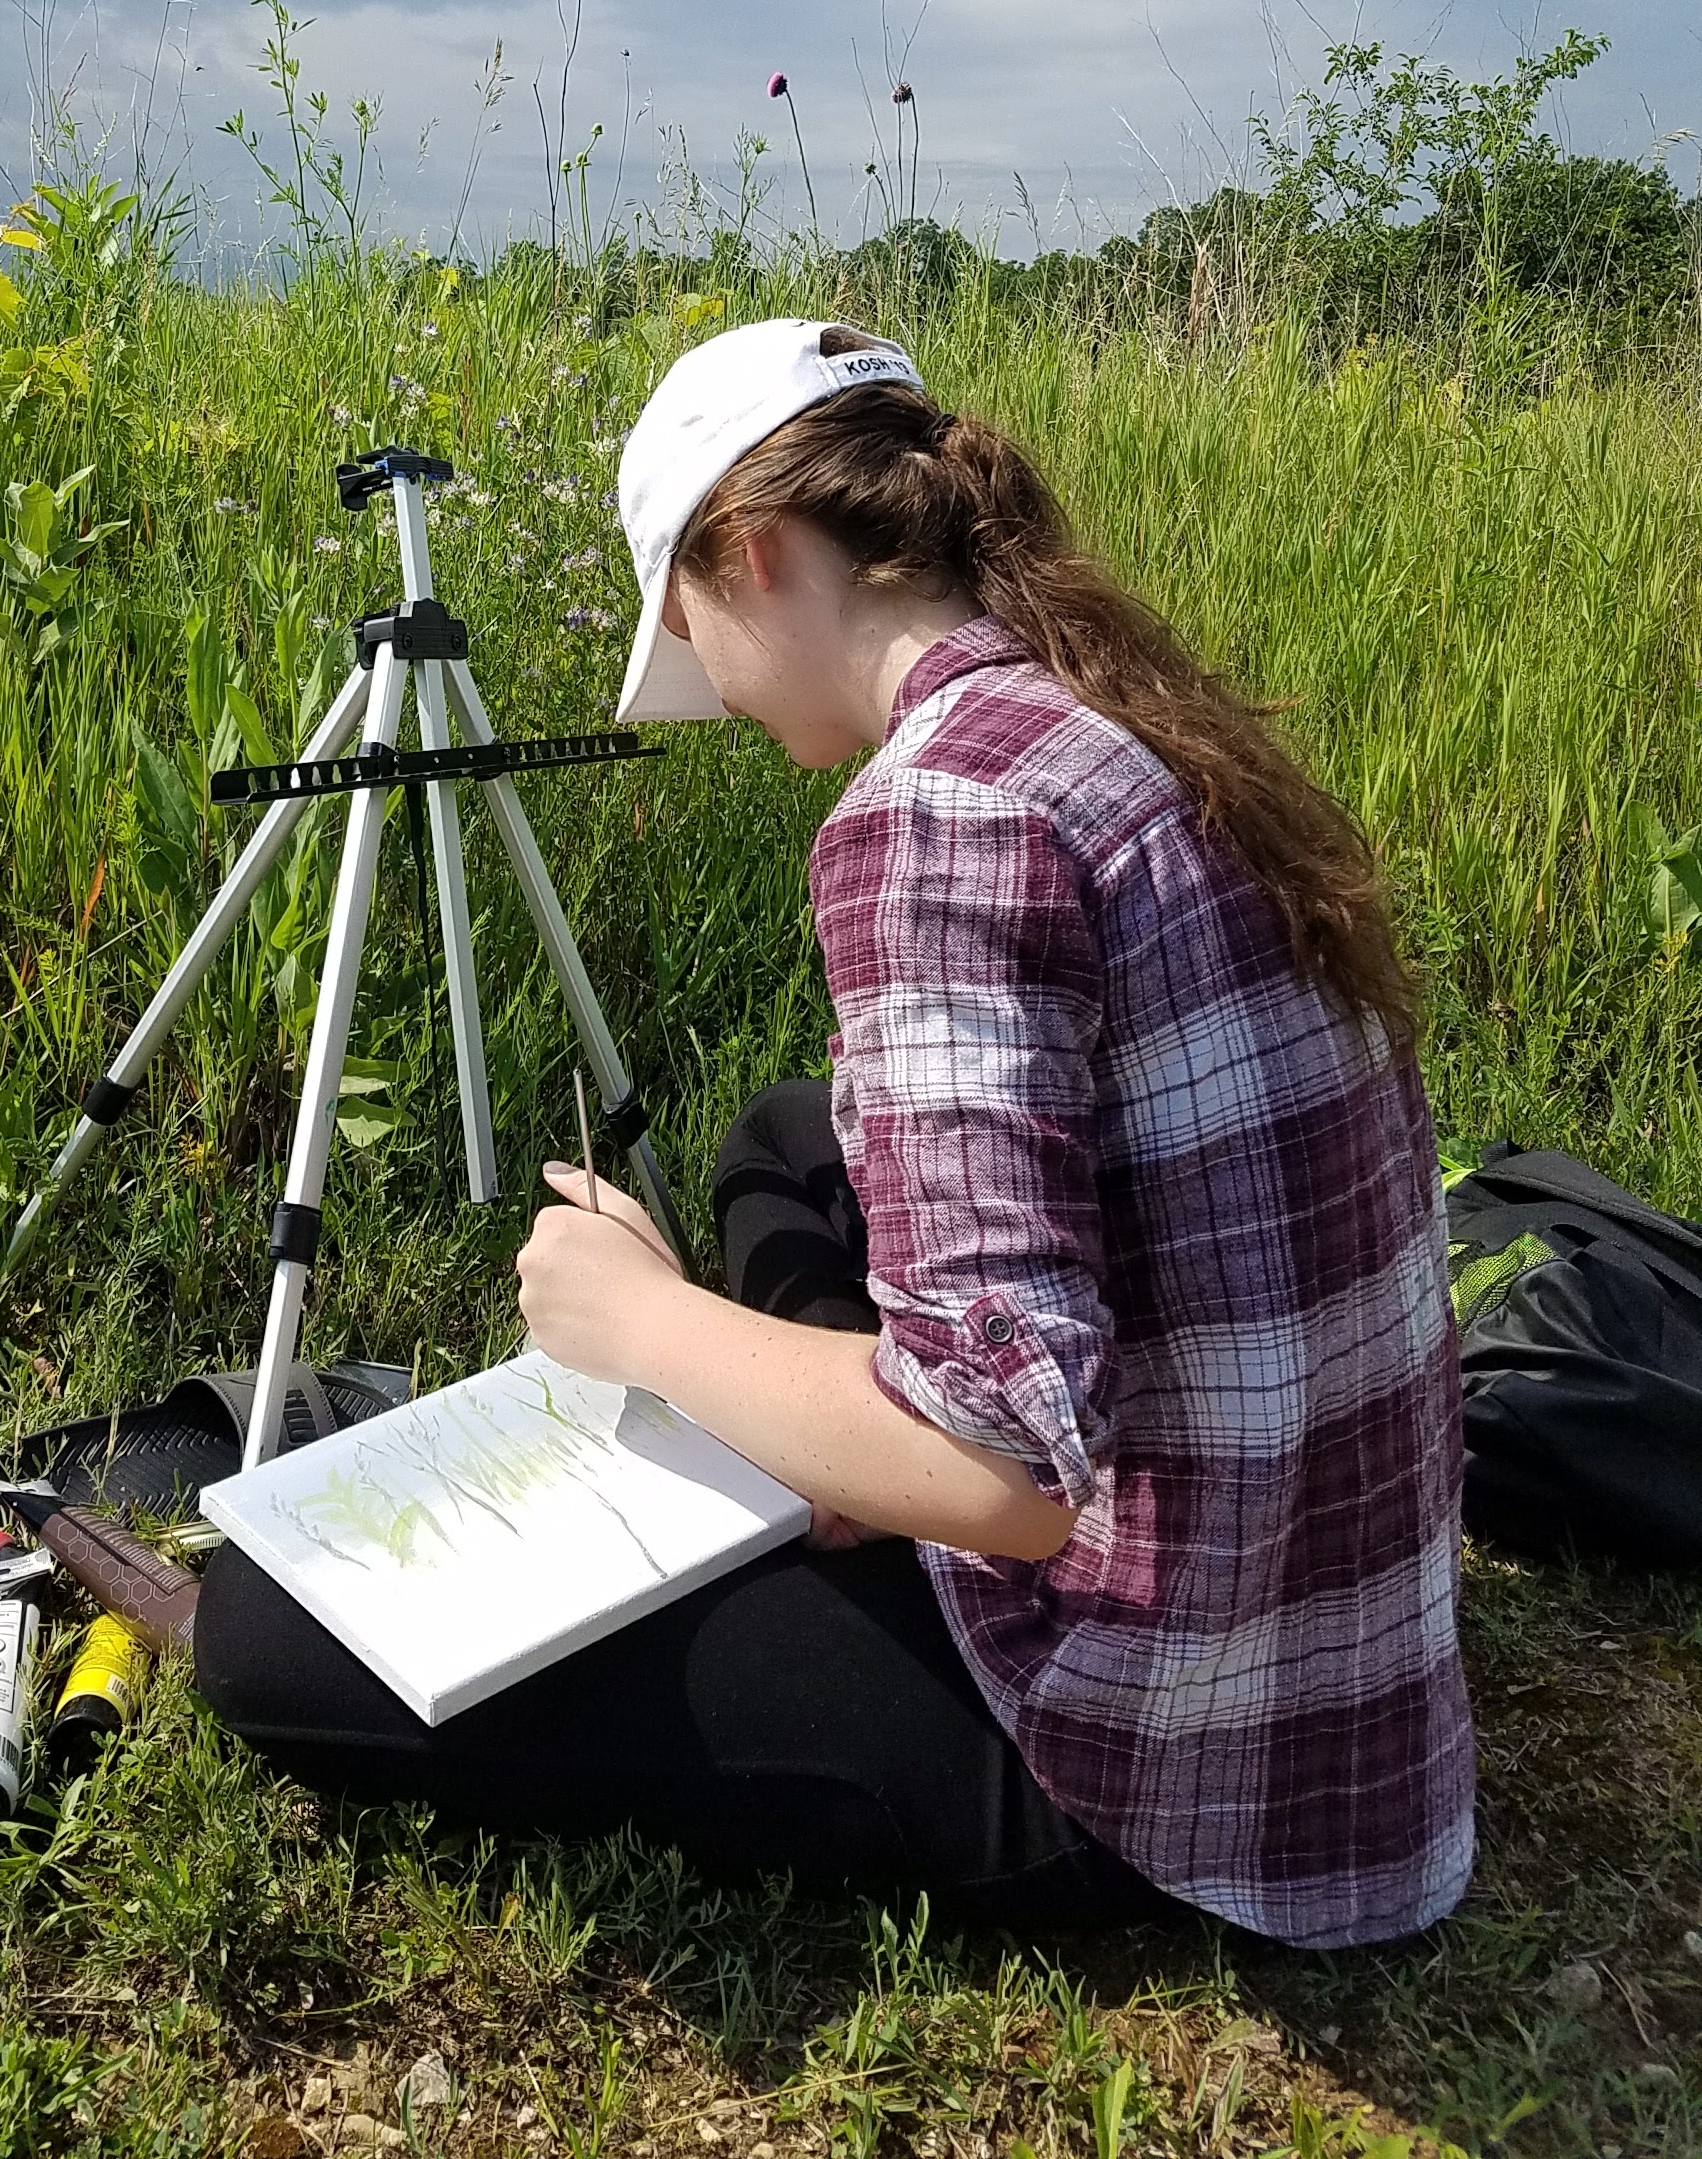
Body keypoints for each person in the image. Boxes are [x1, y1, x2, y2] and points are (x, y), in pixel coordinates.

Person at [193, 317, 1474, 1946]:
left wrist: (646, 1326)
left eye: (688, 635)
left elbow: (1002, 1475)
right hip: (1329, 1661)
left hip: (1161, 1748)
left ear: (752, 551)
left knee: (259, 1628)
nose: (715, 694)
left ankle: (835, 1456)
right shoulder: (1112, 717)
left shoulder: (936, 813)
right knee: (788, 1137)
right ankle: (826, 1441)